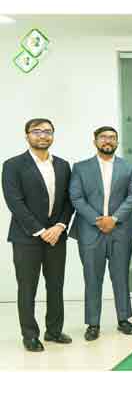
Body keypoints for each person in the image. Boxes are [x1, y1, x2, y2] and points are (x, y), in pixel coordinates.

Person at [2, 118, 74, 352]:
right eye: (37, 131)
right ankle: (30, 335)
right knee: (27, 288)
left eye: (48, 131)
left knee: (56, 285)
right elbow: (14, 202)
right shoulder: (13, 165)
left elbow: (69, 200)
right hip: (26, 238)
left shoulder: (63, 165)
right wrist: (41, 231)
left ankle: (54, 331)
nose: (43, 135)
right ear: (27, 136)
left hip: (57, 236)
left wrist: (60, 226)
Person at [69, 126, 132, 340]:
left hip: (121, 229)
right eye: (103, 137)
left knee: (121, 275)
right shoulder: (80, 168)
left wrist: (114, 219)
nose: (108, 141)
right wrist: (97, 220)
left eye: (112, 137)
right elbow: (76, 197)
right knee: (92, 277)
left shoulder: (129, 168)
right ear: (95, 141)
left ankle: (123, 319)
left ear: (117, 142)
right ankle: (93, 324)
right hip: (90, 230)